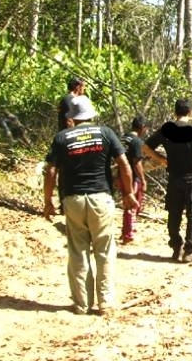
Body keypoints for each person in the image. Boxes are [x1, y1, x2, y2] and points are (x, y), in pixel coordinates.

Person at [43, 95, 138, 316]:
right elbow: (123, 163)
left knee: (78, 251)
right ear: (91, 114)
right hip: (101, 198)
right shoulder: (105, 133)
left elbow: (51, 172)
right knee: (104, 250)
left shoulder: (62, 138)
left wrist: (48, 202)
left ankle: (82, 304)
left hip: (73, 199)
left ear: (72, 118)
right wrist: (129, 193)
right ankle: (105, 303)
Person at [143, 99, 192, 263]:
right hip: (191, 179)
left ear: (175, 112)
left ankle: (176, 246)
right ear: (189, 112)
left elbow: (145, 147)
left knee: (174, 213)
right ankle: (190, 250)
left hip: (174, 178)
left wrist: (162, 159)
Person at [120, 114, 148, 244]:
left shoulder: (123, 138)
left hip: (120, 174)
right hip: (131, 176)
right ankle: (128, 234)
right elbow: (137, 163)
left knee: (128, 202)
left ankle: (127, 229)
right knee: (132, 203)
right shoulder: (137, 142)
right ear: (142, 128)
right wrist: (142, 179)